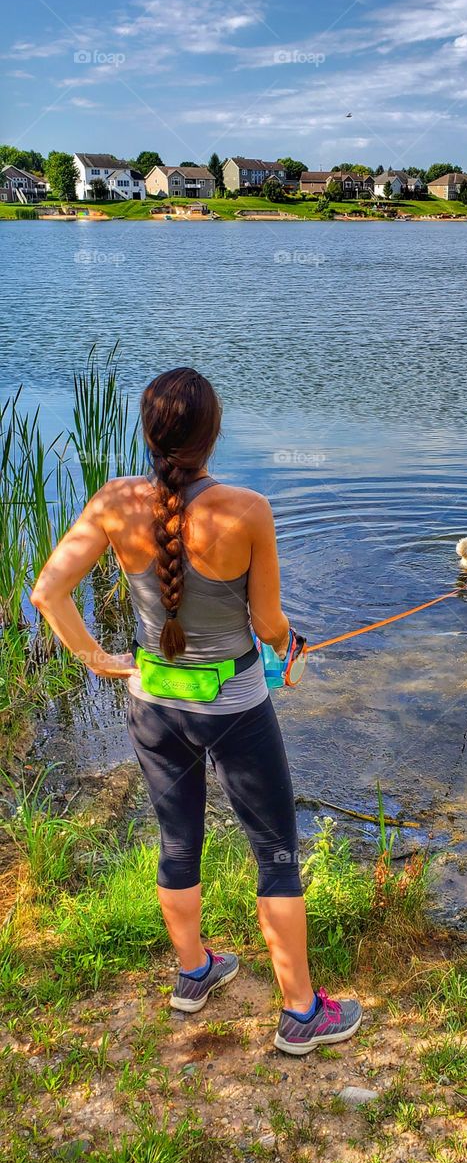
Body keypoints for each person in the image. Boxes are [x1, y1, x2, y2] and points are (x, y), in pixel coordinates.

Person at [30, 367, 362, 1055]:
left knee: (177, 839)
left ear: (149, 434)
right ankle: (302, 1012)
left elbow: (47, 592)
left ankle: (193, 972)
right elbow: (267, 622)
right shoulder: (246, 510)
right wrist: (290, 647)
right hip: (235, 705)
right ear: (212, 435)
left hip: (152, 702)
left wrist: (98, 660)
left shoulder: (114, 501)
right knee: (275, 853)